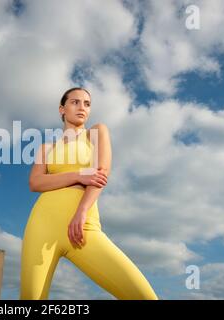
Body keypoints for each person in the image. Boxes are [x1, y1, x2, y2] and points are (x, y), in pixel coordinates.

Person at [20, 87, 158, 300]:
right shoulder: (47, 147)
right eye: (75, 102)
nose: (82, 107)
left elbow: (101, 173)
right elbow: (35, 182)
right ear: (62, 109)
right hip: (42, 224)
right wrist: (78, 175)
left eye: (87, 103)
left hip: (83, 224)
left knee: (143, 296)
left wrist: (82, 211)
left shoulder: (96, 132)